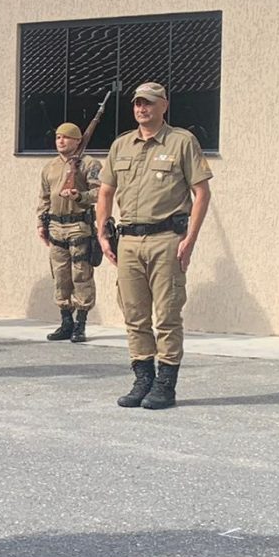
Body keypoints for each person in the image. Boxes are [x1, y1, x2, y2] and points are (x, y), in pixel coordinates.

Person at [96, 82, 212, 410]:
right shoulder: (121, 146)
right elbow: (105, 192)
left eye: (148, 103)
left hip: (166, 240)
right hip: (129, 241)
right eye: (137, 103)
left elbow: (201, 193)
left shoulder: (181, 142)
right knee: (134, 315)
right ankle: (142, 378)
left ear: (164, 105)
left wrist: (190, 238)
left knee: (167, 315)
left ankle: (165, 384)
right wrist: (103, 232)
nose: (141, 109)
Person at [38, 122, 102, 344]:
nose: (61, 141)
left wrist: (79, 196)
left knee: (81, 274)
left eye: (66, 137)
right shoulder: (50, 167)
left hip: (78, 226)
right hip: (56, 226)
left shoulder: (89, 163)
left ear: (78, 140)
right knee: (60, 274)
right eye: (58, 137)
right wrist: (41, 222)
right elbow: (44, 197)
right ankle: (66, 321)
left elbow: (100, 192)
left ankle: (80, 323)